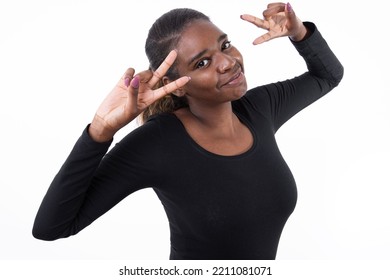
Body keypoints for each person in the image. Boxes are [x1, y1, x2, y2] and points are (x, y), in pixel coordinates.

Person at [32, 2, 344, 260]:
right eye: (202, 63)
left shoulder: (259, 109)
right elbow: (53, 227)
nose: (227, 63)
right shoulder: (157, 143)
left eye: (225, 45)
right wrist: (99, 130)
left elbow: (328, 75)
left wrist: (299, 32)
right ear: (174, 86)